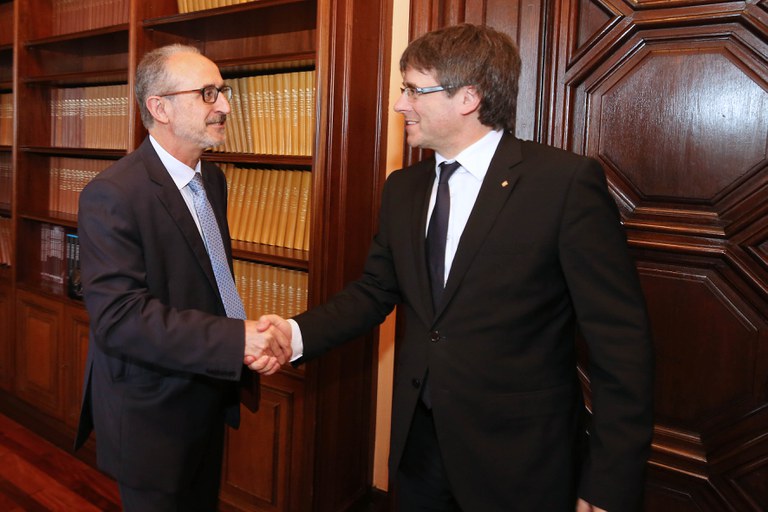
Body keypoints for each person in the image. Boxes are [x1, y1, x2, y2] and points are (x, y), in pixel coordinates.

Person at [255, 23, 654, 511]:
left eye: (413, 90)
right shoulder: (403, 188)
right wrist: (294, 334)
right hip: (419, 448)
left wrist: (610, 480)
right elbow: (374, 290)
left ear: (469, 97)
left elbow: (620, 341)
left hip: (519, 459)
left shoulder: (563, 184)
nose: (399, 104)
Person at [74, 44, 291, 512]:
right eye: (208, 93)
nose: (225, 105)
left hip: (208, 392)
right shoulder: (111, 194)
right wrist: (236, 339)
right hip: (152, 416)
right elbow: (120, 319)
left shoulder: (213, 180)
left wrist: (241, 344)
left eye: (224, 91)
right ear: (160, 108)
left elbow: (207, 280)